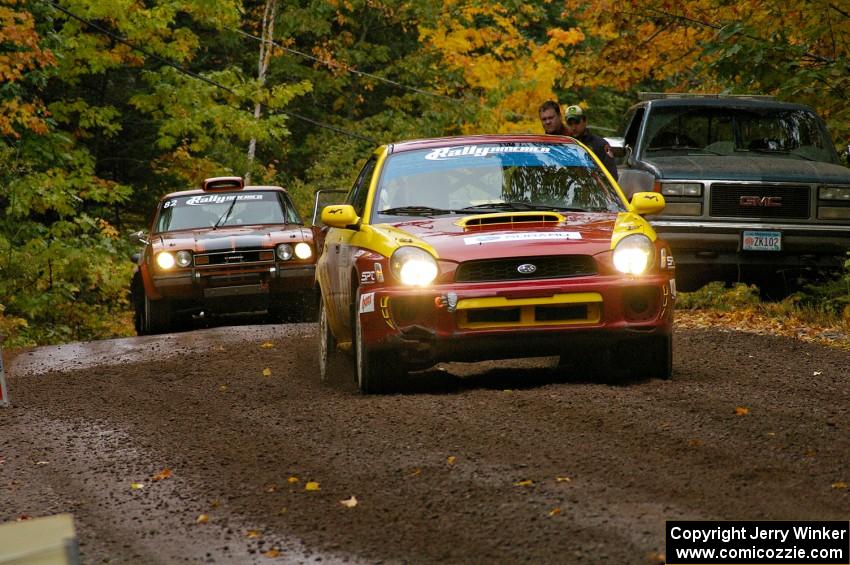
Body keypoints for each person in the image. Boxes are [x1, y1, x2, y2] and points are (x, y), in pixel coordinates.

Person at [565, 105, 618, 180]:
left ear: (585, 121)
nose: (573, 127)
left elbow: (612, 177)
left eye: (577, 123)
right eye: (570, 124)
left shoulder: (601, 145)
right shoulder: (564, 146)